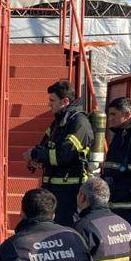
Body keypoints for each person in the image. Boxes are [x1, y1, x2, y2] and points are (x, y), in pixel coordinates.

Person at [23, 79, 92, 227]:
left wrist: (36, 154)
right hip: (53, 190)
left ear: (65, 101)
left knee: (66, 230)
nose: (49, 104)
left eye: (52, 100)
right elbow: (44, 146)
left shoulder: (79, 123)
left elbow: (63, 155)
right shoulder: (58, 123)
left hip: (69, 193)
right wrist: (37, 159)